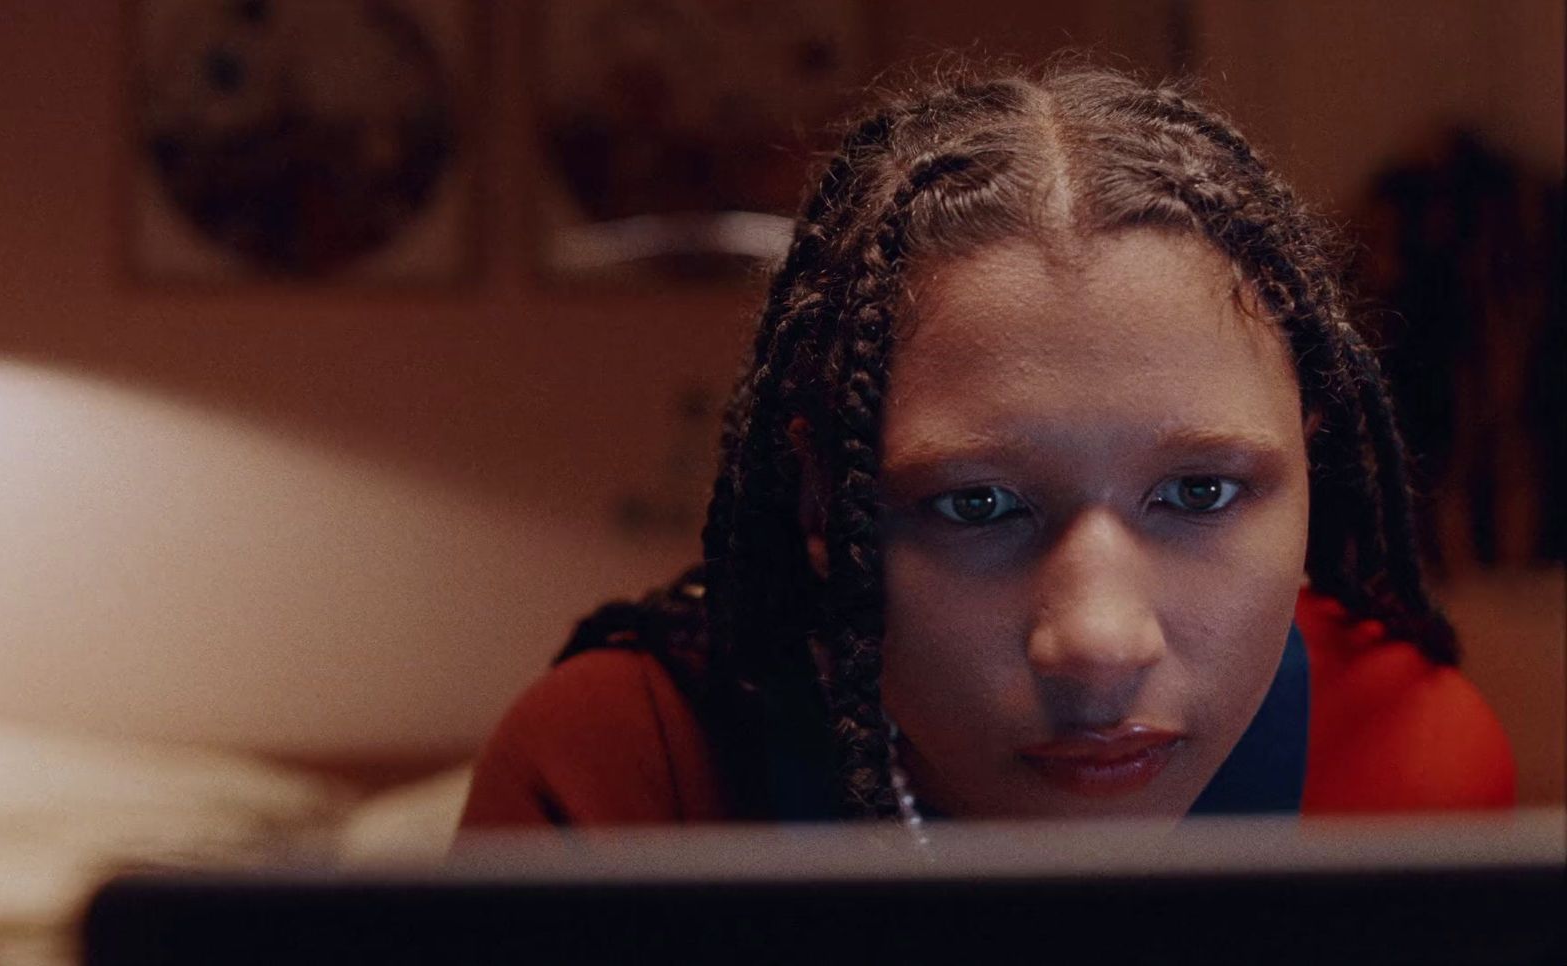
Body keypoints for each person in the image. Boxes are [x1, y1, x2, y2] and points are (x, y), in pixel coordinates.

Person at [459, 64, 1514, 833]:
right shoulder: (626, 770)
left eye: (1197, 492)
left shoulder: (1406, 765)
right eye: (977, 506)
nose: (1098, 645)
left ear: (1310, 471)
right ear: (828, 502)